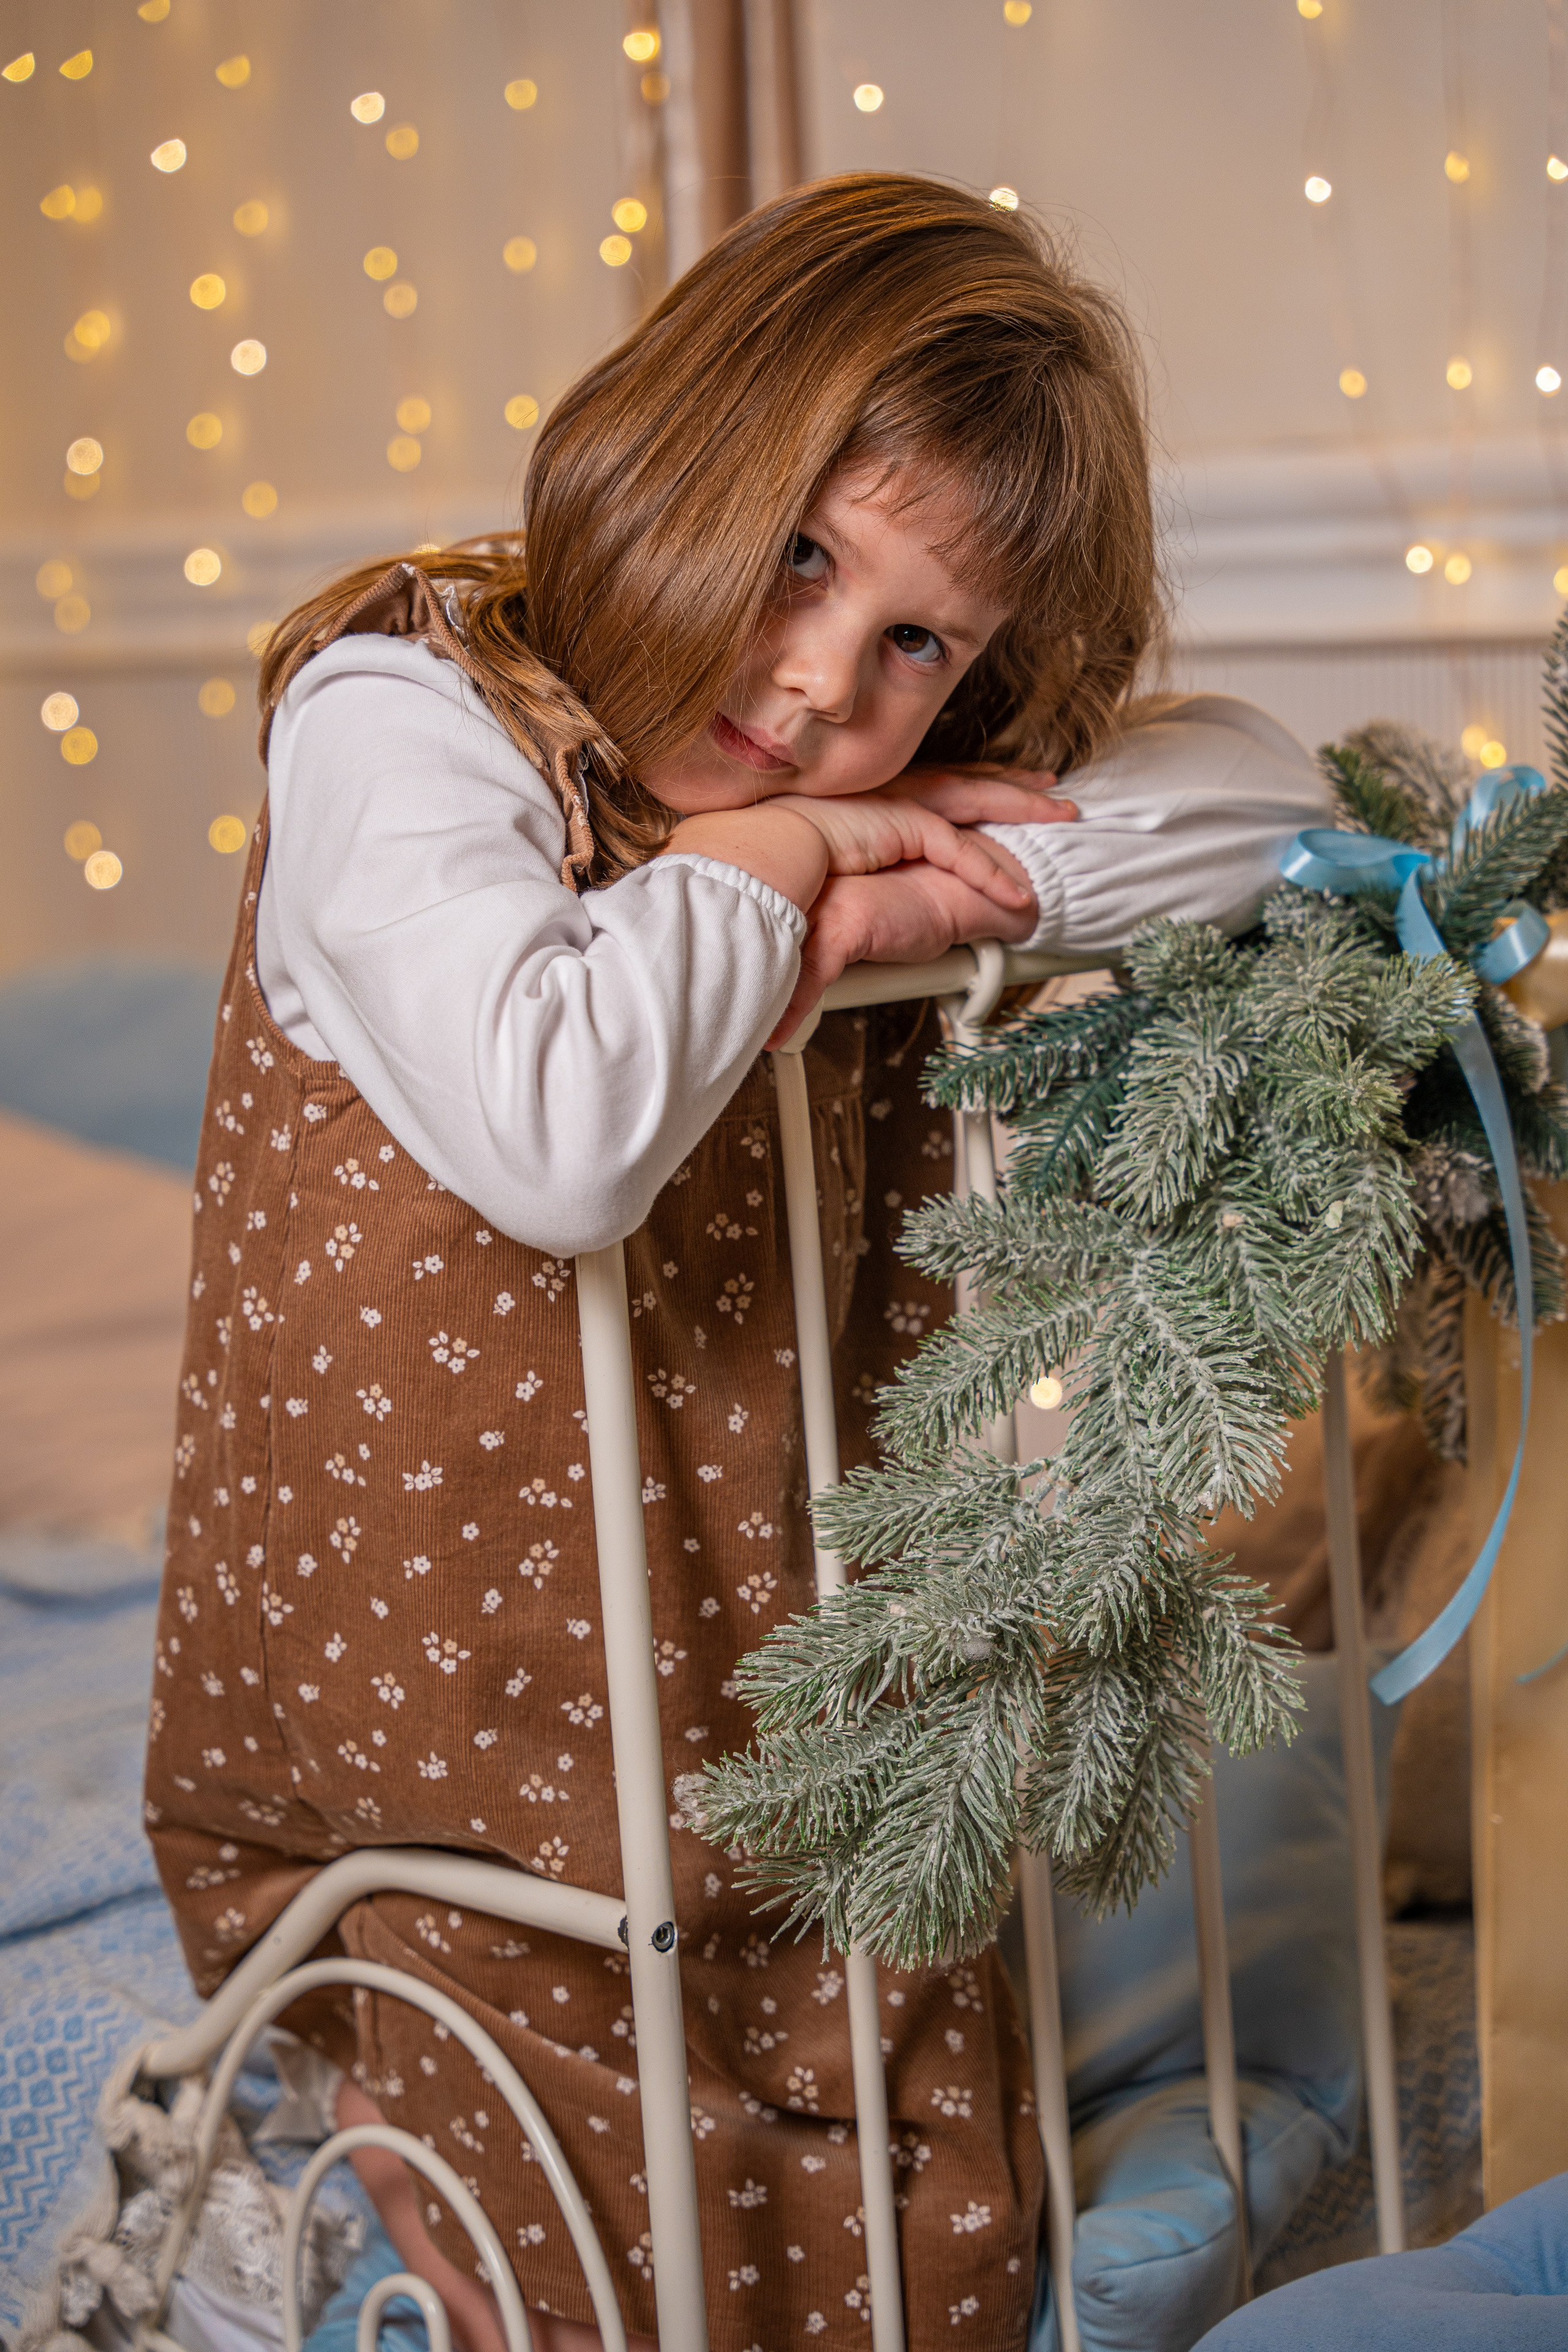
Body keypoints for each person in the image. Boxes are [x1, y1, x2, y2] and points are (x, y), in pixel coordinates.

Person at [143, 173, 1332, 2352]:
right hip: (443, 1717)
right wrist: (782, 862)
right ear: (674, 451)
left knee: (910, 2187)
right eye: (802, 553)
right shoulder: (404, 713)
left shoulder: (888, 823)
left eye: (919, 645)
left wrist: (948, 899)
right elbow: (561, 1127)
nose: (815, 683)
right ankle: (359, 2137)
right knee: (586, 2227)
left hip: (778, 1672)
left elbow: (1270, 799)